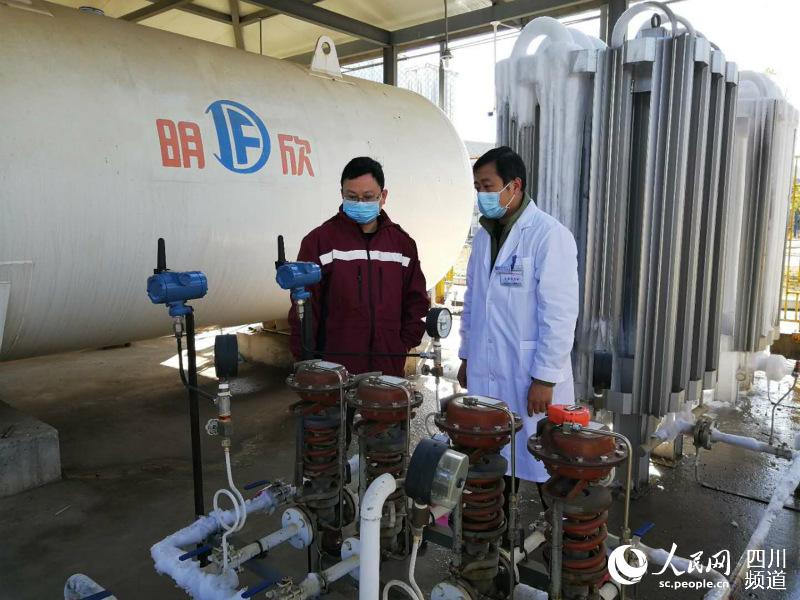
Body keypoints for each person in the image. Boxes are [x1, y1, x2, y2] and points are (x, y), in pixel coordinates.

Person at [457, 146, 579, 495]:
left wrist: (544, 377)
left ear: (515, 185)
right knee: (494, 462)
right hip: (487, 369)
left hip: (529, 375)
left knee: (546, 462)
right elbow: (473, 301)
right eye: (477, 188)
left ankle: (554, 528)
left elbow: (559, 314)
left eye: (488, 186)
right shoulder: (484, 236)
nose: (482, 195)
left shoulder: (548, 235)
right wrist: (466, 355)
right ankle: (502, 528)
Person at [288, 156, 429, 377]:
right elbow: (305, 308)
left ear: (383, 196)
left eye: (368, 197)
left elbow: (416, 301)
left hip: (387, 367)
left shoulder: (402, 245)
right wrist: (306, 360)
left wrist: (402, 345)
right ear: (342, 194)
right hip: (334, 370)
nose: (360, 203)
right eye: (352, 197)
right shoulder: (319, 242)